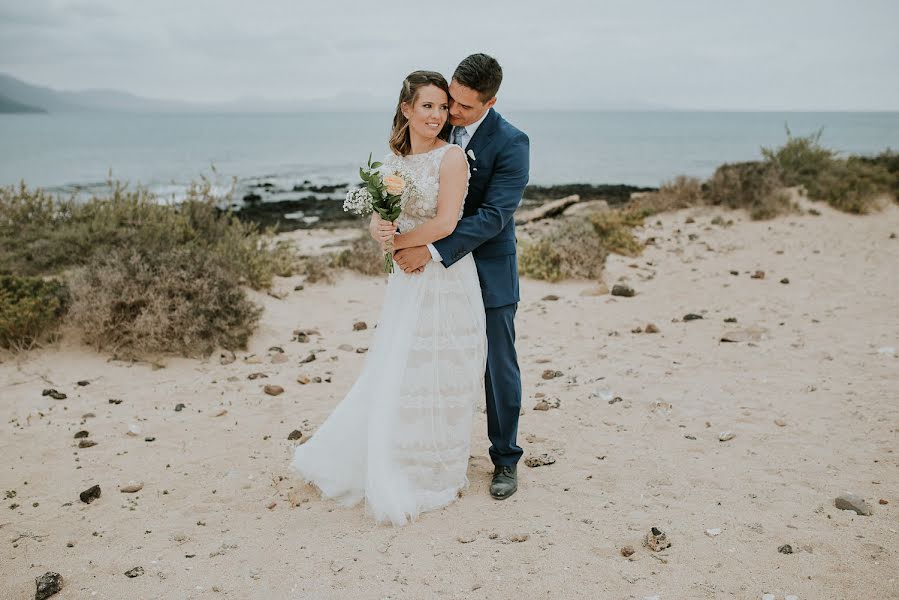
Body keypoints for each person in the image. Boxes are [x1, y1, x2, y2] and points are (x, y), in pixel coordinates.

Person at [289, 70, 487, 526]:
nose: (437, 115)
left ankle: (438, 469)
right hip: (406, 282)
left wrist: (399, 244)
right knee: (401, 366)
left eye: (442, 107)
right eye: (427, 106)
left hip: (446, 277)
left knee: (445, 368)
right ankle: (401, 458)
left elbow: (446, 224)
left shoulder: (452, 157)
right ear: (406, 109)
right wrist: (379, 231)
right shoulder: (389, 163)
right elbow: (380, 218)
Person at [371, 53, 530, 500]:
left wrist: (431, 248)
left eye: (462, 107)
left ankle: (504, 458)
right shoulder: (434, 127)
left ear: (490, 101)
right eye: (449, 101)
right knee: (427, 359)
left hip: (486, 267)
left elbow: (495, 215)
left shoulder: (513, 142)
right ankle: (431, 445)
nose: (451, 114)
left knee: (497, 365)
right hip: (431, 274)